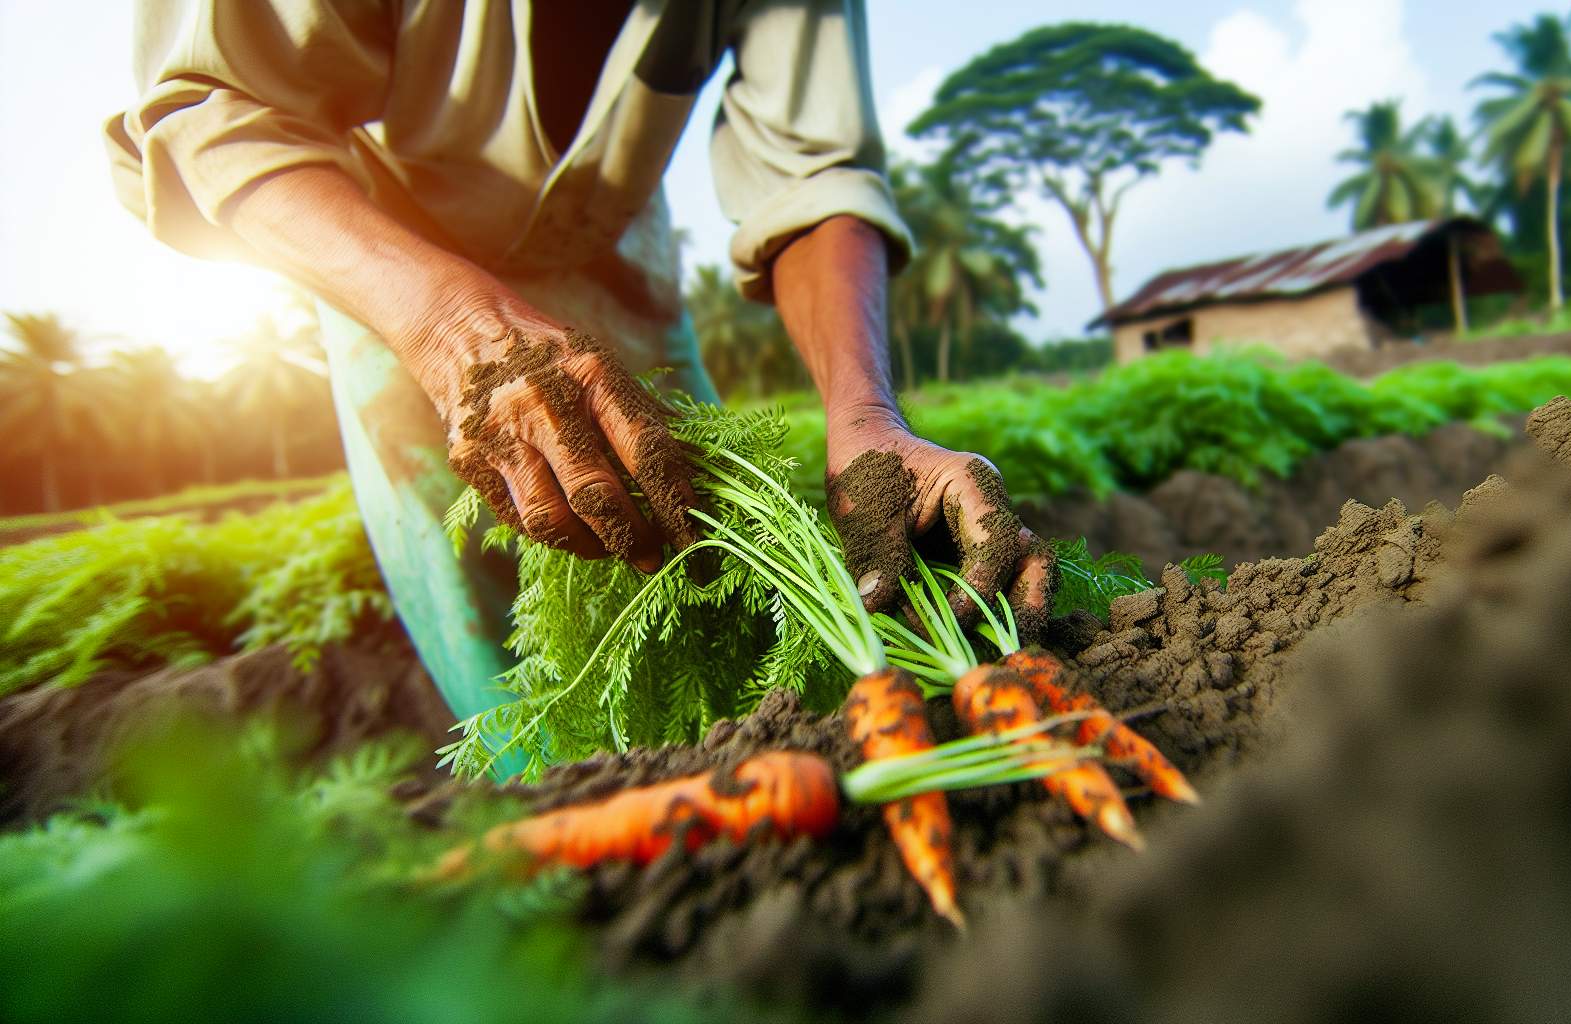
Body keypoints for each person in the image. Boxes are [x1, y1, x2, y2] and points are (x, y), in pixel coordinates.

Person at [105, 1, 1056, 731]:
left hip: (607, 227)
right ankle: (561, 846)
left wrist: (868, 423)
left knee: (708, 544)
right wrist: (455, 333)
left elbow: (814, 173)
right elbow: (220, 105)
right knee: (499, 617)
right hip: (379, 241)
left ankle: (773, 748)